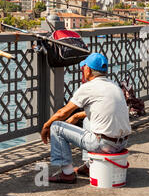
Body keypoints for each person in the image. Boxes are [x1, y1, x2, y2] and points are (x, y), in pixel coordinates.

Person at [40, 53, 131, 184]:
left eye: (83, 69)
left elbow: (62, 113)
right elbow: (101, 111)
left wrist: (46, 126)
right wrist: (77, 115)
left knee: (56, 127)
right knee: (88, 120)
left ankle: (67, 173)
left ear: (87, 69)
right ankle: (89, 166)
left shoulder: (88, 87)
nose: (83, 72)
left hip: (103, 144)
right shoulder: (114, 86)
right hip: (122, 143)